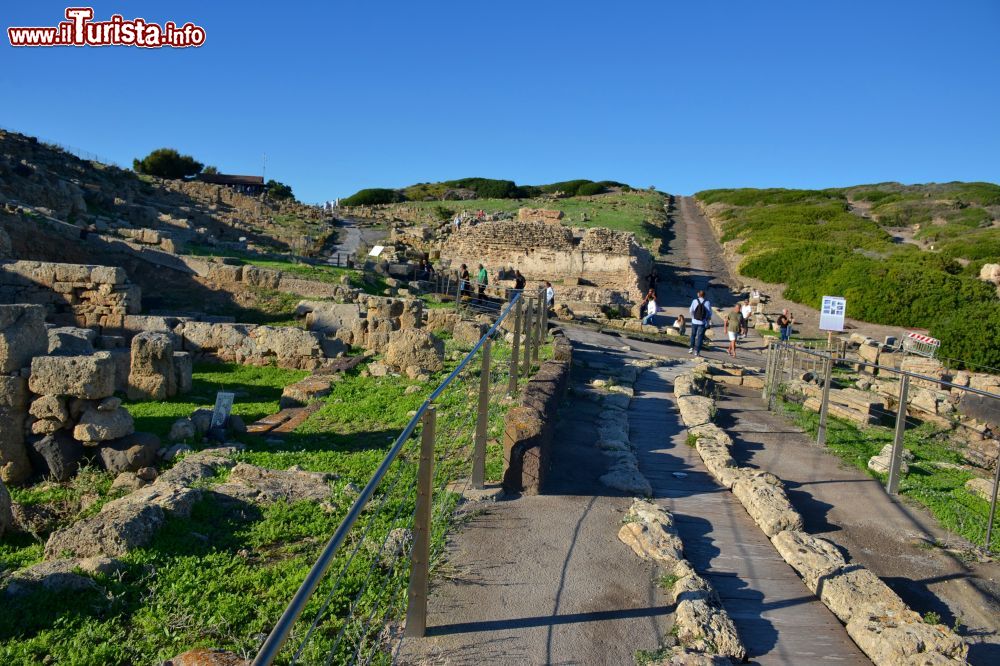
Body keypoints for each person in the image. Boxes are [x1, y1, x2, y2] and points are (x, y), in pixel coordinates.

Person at [688, 290, 712, 356]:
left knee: (693, 335)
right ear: (704, 295)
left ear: (698, 294)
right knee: (700, 337)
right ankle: (697, 351)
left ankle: (691, 348)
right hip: (702, 322)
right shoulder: (707, 302)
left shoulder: (694, 301)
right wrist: (706, 319)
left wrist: (693, 317)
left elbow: (691, 311)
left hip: (694, 321)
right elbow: (709, 313)